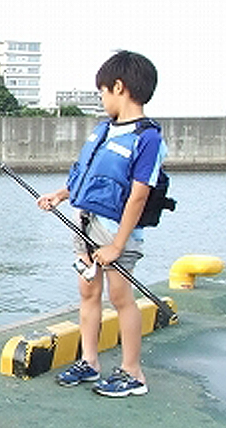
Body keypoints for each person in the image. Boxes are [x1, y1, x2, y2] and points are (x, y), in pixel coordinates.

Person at [37, 51, 167, 398]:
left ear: (119, 87)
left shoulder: (148, 138)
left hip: (116, 232)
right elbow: (89, 176)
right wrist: (61, 196)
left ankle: (133, 372)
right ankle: (90, 362)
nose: (101, 99)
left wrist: (117, 245)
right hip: (85, 224)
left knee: (122, 297)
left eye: (102, 93)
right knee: (88, 292)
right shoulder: (104, 130)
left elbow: (138, 196)